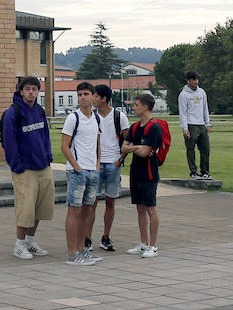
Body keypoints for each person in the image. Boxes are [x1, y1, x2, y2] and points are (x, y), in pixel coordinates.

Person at [0, 76, 53, 260]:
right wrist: (17, 166)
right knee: (25, 208)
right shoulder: (12, 113)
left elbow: (45, 136)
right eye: (28, 89)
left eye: (35, 89)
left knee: (40, 207)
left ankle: (30, 241)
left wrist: (48, 157)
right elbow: (9, 142)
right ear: (21, 91)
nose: (31, 92)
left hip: (42, 166)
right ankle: (19, 244)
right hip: (24, 169)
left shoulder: (39, 110)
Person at [61, 82, 103, 265]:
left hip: (92, 170)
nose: (82, 97)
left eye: (86, 94)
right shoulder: (73, 118)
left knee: (87, 211)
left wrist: (97, 164)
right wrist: (76, 166)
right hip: (77, 171)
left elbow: (97, 143)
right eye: (80, 94)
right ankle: (72, 252)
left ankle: (81, 248)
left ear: (94, 96)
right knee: (74, 210)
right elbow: (64, 146)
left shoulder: (97, 118)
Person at [121, 93, 165, 258]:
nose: (134, 107)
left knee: (150, 208)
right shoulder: (134, 127)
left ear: (146, 107)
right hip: (135, 172)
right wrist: (135, 147)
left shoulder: (154, 128)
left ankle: (153, 245)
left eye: (137, 105)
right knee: (139, 208)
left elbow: (145, 153)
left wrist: (133, 147)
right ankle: (143, 243)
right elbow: (124, 148)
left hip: (149, 173)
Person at [89, 84, 129, 253]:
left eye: (95, 96)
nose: (93, 99)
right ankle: (87, 238)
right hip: (96, 165)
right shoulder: (91, 116)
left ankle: (106, 236)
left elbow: (128, 141)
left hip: (113, 163)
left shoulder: (119, 116)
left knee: (110, 202)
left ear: (104, 98)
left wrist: (120, 160)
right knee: (92, 202)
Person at [178, 70, 213, 179]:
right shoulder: (183, 95)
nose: (196, 82)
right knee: (191, 149)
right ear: (188, 81)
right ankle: (193, 172)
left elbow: (205, 108)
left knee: (205, 149)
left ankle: (205, 172)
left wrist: (208, 123)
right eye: (193, 80)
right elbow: (183, 112)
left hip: (201, 124)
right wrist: (185, 128)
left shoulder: (202, 92)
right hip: (190, 125)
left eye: (197, 79)